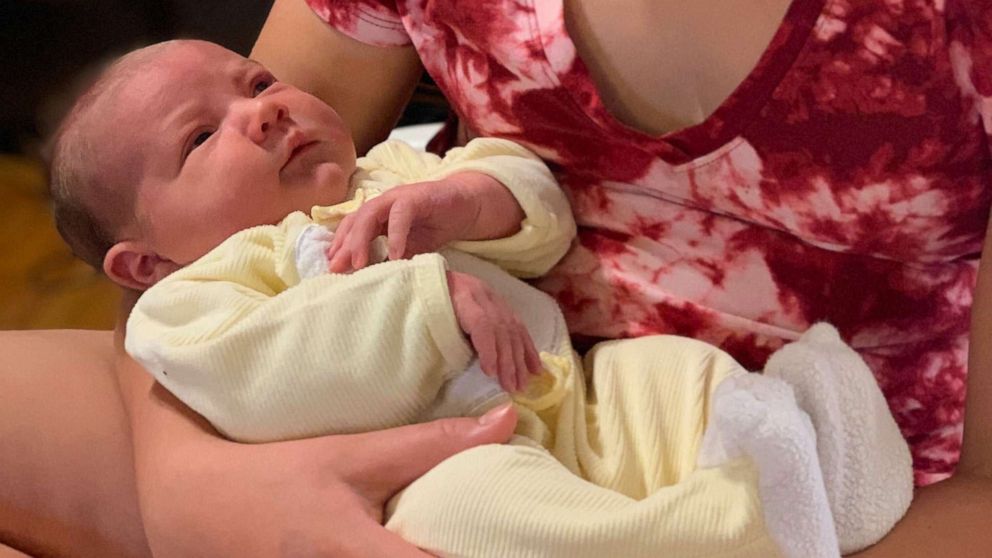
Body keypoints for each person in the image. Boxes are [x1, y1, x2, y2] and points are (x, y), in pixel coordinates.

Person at [2, 0, 992, 556]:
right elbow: (187, 280)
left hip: (687, 431)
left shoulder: (942, 33)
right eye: (209, 125)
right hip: (412, 446)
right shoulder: (247, 235)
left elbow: (515, 194)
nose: (260, 109)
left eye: (256, 89)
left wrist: (475, 205)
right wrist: (197, 486)